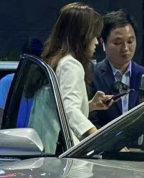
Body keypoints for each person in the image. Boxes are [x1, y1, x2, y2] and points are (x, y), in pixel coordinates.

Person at [42, 3, 114, 142]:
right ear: (82, 36)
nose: (96, 42)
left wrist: (91, 105)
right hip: (63, 151)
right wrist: (99, 139)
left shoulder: (57, 61)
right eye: (94, 35)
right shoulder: (71, 65)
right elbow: (69, 111)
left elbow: (60, 107)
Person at [89, 10, 144, 128]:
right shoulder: (91, 76)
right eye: (118, 42)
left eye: (130, 41)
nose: (125, 48)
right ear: (103, 43)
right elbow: (90, 122)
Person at [0, 38, 43, 129]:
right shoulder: (7, 82)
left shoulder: (45, 85)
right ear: (21, 59)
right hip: (11, 139)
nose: (32, 70)